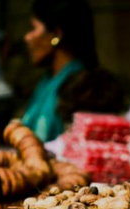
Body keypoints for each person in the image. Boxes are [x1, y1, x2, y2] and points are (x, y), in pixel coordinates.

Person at [22, 0, 98, 142]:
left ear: (56, 35)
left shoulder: (82, 89)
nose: (27, 37)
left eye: (33, 28)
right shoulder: (48, 82)